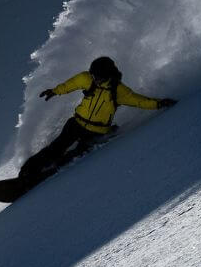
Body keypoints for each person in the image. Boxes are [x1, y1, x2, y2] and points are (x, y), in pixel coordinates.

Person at [19, 56, 177, 180]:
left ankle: (52, 170)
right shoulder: (87, 79)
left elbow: (139, 101)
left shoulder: (118, 91)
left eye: (98, 76)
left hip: (96, 131)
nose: (94, 78)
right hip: (76, 124)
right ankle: (27, 171)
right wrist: (55, 91)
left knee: (77, 153)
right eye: (93, 75)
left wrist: (159, 104)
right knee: (56, 147)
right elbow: (70, 84)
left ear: (107, 75)